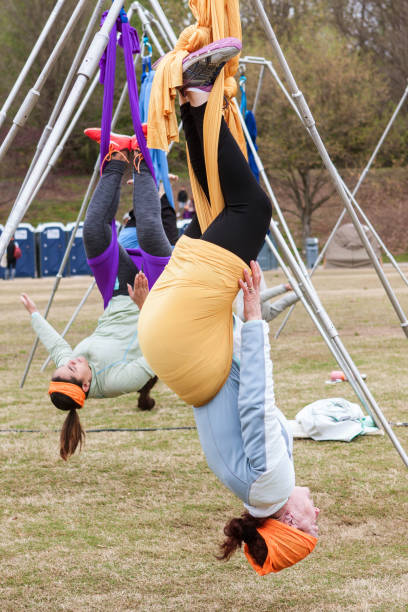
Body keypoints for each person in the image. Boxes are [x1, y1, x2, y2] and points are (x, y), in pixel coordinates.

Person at [138, 39, 318, 575]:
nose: (316, 512)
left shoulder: (273, 485)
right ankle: (196, 98)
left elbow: (256, 400)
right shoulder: (250, 490)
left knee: (251, 206)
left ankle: (196, 92)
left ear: (286, 522)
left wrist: (254, 314)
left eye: (310, 523)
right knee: (219, 205)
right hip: (173, 348)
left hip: (189, 342)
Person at [21, 130, 172, 461]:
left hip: (120, 294)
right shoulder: (118, 381)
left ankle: (117, 157)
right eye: (72, 370)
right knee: (148, 229)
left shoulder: (70, 367)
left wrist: (35, 315)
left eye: (63, 369)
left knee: (92, 233)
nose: (70, 362)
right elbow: (161, 353)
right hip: (159, 301)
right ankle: (143, 159)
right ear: (87, 385)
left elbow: (58, 347)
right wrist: (145, 306)